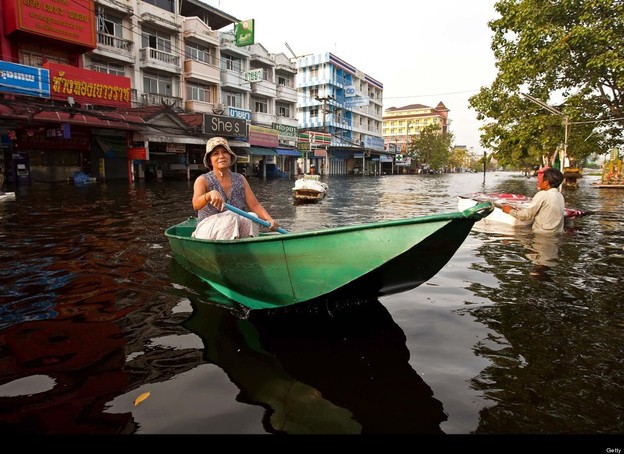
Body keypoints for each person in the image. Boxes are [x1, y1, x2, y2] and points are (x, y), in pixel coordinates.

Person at [191, 137, 280, 240]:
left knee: (252, 217)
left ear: (230, 156)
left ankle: (247, 247)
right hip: (207, 230)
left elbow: (255, 205)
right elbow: (195, 205)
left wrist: (269, 220)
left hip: (235, 228)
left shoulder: (240, 179)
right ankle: (225, 252)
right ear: (210, 160)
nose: (221, 156)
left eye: (225, 152)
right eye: (216, 154)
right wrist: (208, 195)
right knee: (231, 215)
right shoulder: (203, 180)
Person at [501, 167, 565, 234]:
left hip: (542, 236)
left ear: (546, 182)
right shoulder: (560, 196)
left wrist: (509, 210)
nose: (538, 182)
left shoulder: (542, 194)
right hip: (557, 234)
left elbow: (526, 215)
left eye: (540, 180)